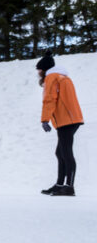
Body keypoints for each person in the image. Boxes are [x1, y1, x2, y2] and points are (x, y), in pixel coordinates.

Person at [37, 52, 84, 196]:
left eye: (39, 70)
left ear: (44, 69)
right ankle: (60, 185)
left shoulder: (52, 77)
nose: (38, 73)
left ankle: (69, 187)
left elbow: (50, 99)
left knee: (66, 152)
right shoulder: (62, 77)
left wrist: (45, 119)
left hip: (66, 120)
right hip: (70, 119)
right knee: (60, 152)